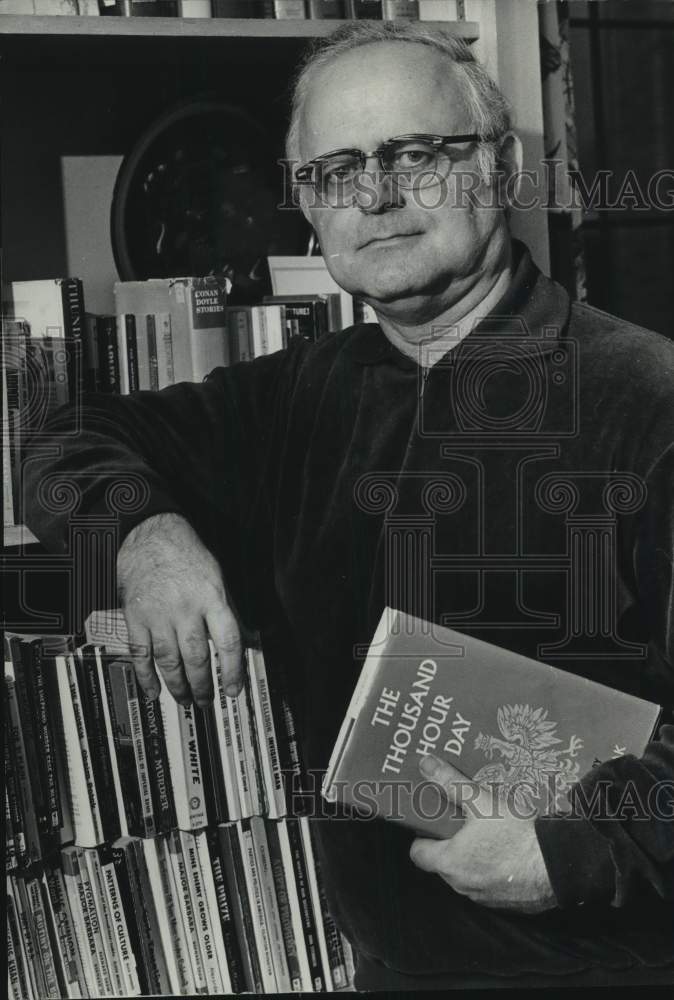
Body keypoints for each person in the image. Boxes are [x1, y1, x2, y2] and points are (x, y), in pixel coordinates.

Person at [24, 20, 673, 992]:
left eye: (414, 153)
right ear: (311, 212)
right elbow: (64, 440)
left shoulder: (649, 401)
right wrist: (144, 538)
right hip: (384, 970)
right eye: (333, 171)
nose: (373, 194)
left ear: (495, 168)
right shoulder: (289, 397)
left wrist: (572, 850)